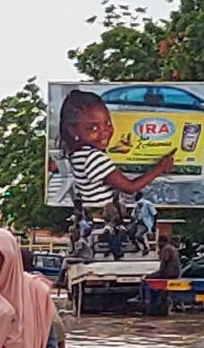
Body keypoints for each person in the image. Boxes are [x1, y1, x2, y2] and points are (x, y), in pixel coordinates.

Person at [56, 88, 175, 248]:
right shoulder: (94, 158)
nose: (105, 132)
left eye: (108, 123)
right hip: (105, 221)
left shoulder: (77, 154)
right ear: (73, 130)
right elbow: (130, 187)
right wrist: (160, 168)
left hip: (94, 219)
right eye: (93, 129)